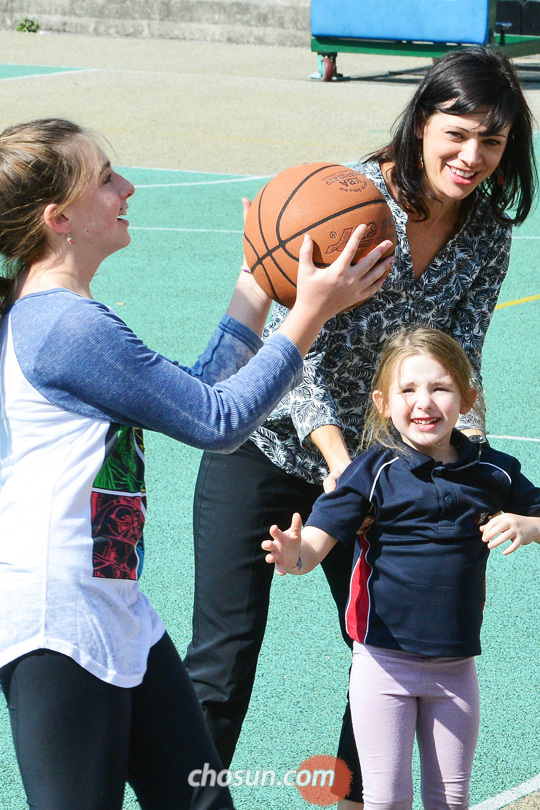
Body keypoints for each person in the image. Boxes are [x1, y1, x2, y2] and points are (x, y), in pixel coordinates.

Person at [0, 118, 395, 810]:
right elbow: (219, 423)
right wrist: (309, 314)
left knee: (198, 800)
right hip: (55, 618)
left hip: (113, 598)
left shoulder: (61, 317)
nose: (128, 187)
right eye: (106, 179)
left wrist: (255, 283)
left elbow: (202, 393)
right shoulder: (66, 327)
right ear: (59, 218)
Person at [183, 45, 537, 808]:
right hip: (266, 445)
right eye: (458, 133)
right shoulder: (346, 200)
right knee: (224, 655)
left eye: (493, 141)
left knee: (387, 650)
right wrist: (340, 460)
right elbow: (294, 348)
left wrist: (464, 469)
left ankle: (349, 800)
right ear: (421, 125)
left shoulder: (486, 237)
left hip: (376, 466)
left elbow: (458, 360)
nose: (471, 156)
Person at [262, 325, 540, 810]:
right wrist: (294, 554)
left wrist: (527, 524)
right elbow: (316, 544)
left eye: (440, 388)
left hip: (456, 669)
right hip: (382, 665)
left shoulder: (493, 472)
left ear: (467, 396)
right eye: (407, 390)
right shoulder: (372, 471)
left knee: (450, 799)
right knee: (386, 799)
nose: (424, 402)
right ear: (383, 404)